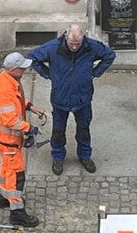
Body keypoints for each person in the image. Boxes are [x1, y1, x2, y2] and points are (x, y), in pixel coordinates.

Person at [28, 23, 115, 175]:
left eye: (77, 44)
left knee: (83, 129)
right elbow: (32, 57)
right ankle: (58, 157)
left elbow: (109, 55)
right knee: (58, 131)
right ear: (66, 37)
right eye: (71, 44)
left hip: (83, 98)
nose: (74, 47)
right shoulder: (53, 47)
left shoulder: (91, 47)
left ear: (83, 39)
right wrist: (48, 74)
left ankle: (85, 156)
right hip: (60, 98)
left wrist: (95, 72)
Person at [0, 52, 45, 227]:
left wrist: (30, 107)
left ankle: (2, 197)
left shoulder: (5, 79)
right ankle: (17, 213)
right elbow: (10, 120)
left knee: (6, 167)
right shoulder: (6, 86)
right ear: (14, 69)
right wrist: (30, 128)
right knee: (16, 175)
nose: (25, 69)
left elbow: (15, 102)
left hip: (2, 137)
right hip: (8, 138)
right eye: (22, 67)